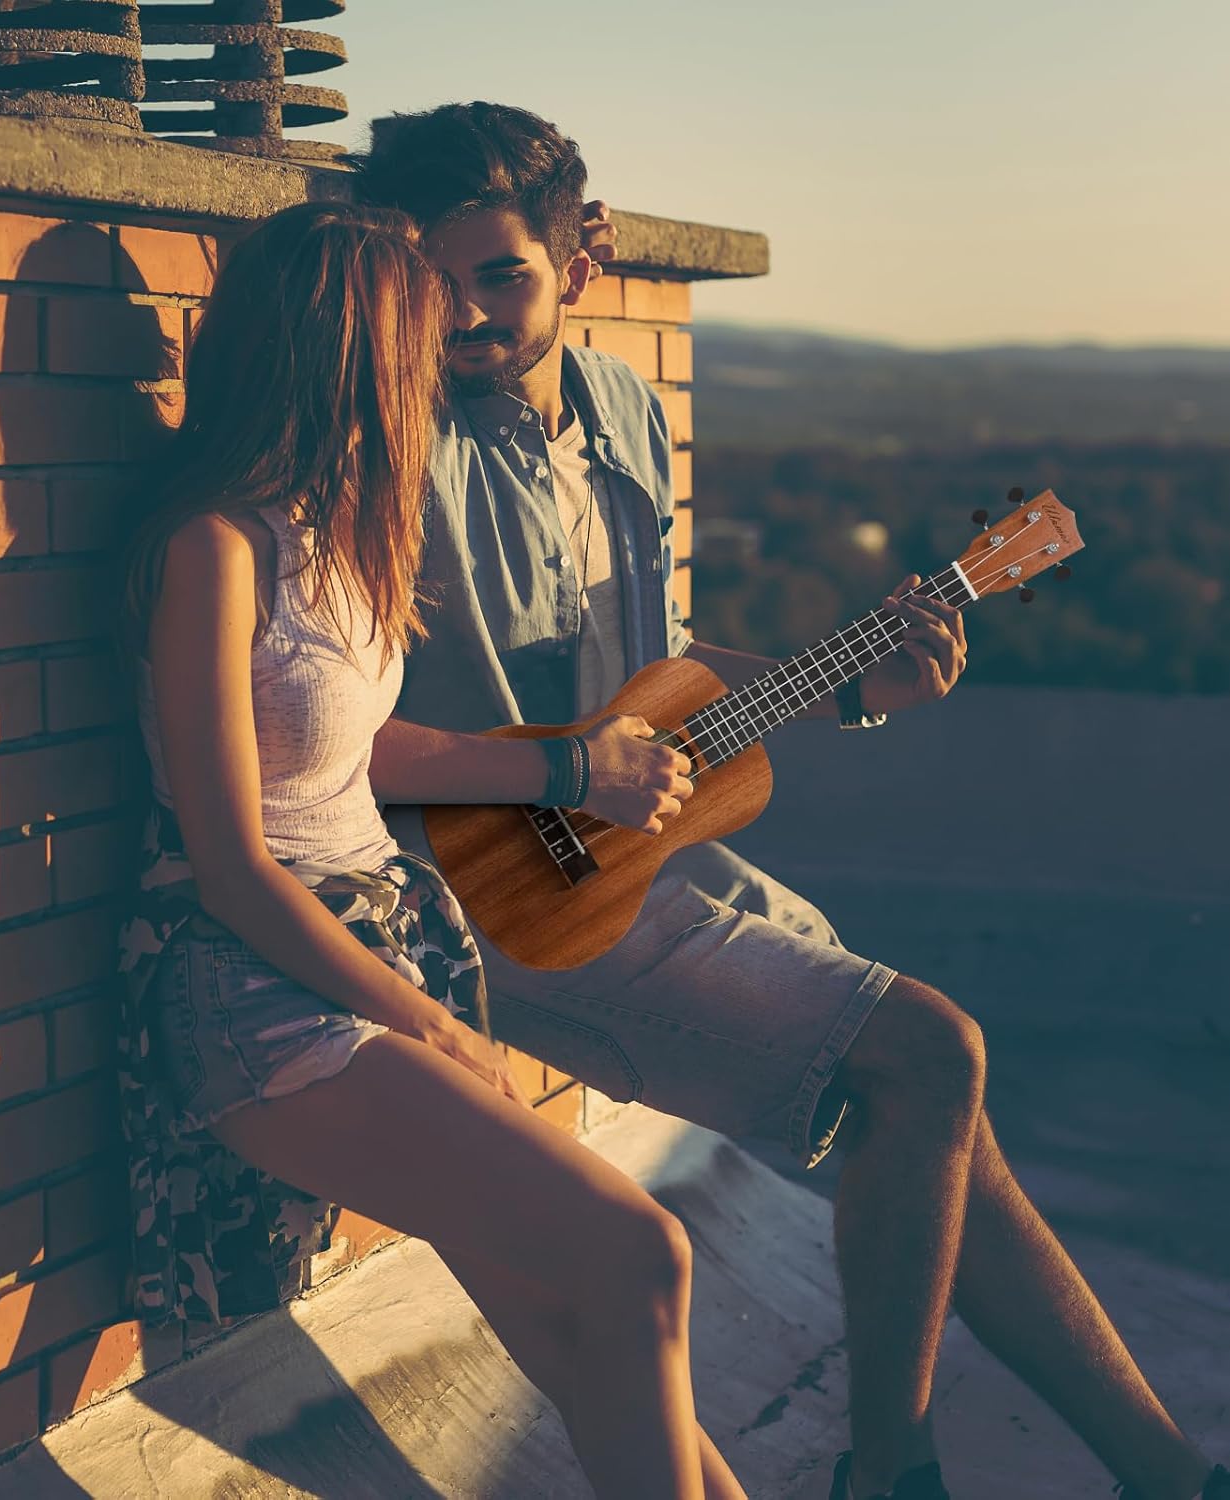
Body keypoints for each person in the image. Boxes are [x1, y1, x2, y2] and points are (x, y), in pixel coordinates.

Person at [347, 103, 1228, 1500]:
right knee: (927, 1056)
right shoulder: (380, 436)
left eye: (499, 277)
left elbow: (661, 680)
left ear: (582, 256)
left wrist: (862, 687)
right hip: (492, 904)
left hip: (651, 858)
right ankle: (889, 1470)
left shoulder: (627, 416)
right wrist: (564, 773)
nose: (463, 315)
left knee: (939, 1109)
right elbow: (328, 720)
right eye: (436, 279)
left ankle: (1160, 1477)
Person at [115, 200, 753, 1500]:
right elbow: (232, 861)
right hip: (262, 997)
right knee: (637, 1257)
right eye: (422, 336)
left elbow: (358, 747)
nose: (444, 360)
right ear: (351, 350)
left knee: (590, 1320)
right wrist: (432, 1026)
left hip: (368, 953)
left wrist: (564, 766)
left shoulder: (329, 530)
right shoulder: (212, 550)